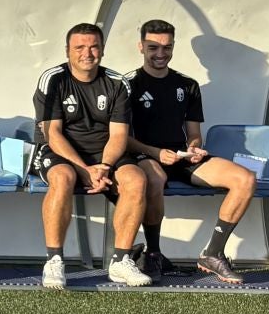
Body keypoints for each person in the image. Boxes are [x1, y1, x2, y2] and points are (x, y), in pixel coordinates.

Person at [121, 20, 256, 282]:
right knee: (154, 178)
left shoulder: (188, 85)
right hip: (143, 156)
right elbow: (121, 138)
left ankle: (213, 253)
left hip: (180, 158)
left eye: (167, 47)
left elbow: (193, 133)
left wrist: (194, 148)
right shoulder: (127, 84)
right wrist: (156, 152)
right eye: (153, 47)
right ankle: (154, 253)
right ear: (140, 47)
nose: (161, 53)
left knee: (245, 179)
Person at [31, 23, 152, 289]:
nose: (87, 53)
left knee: (136, 180)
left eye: (94, 46)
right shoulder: (53, 79)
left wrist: (105, 167)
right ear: (67, 51)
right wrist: (84, 168)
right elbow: (53, 134)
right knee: (62, 178)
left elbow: (119, 136)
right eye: (79, 47)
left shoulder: (117, 83)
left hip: (105, 155)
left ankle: (120, 261)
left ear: (103, 50)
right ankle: (54, 261)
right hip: (61, 152)